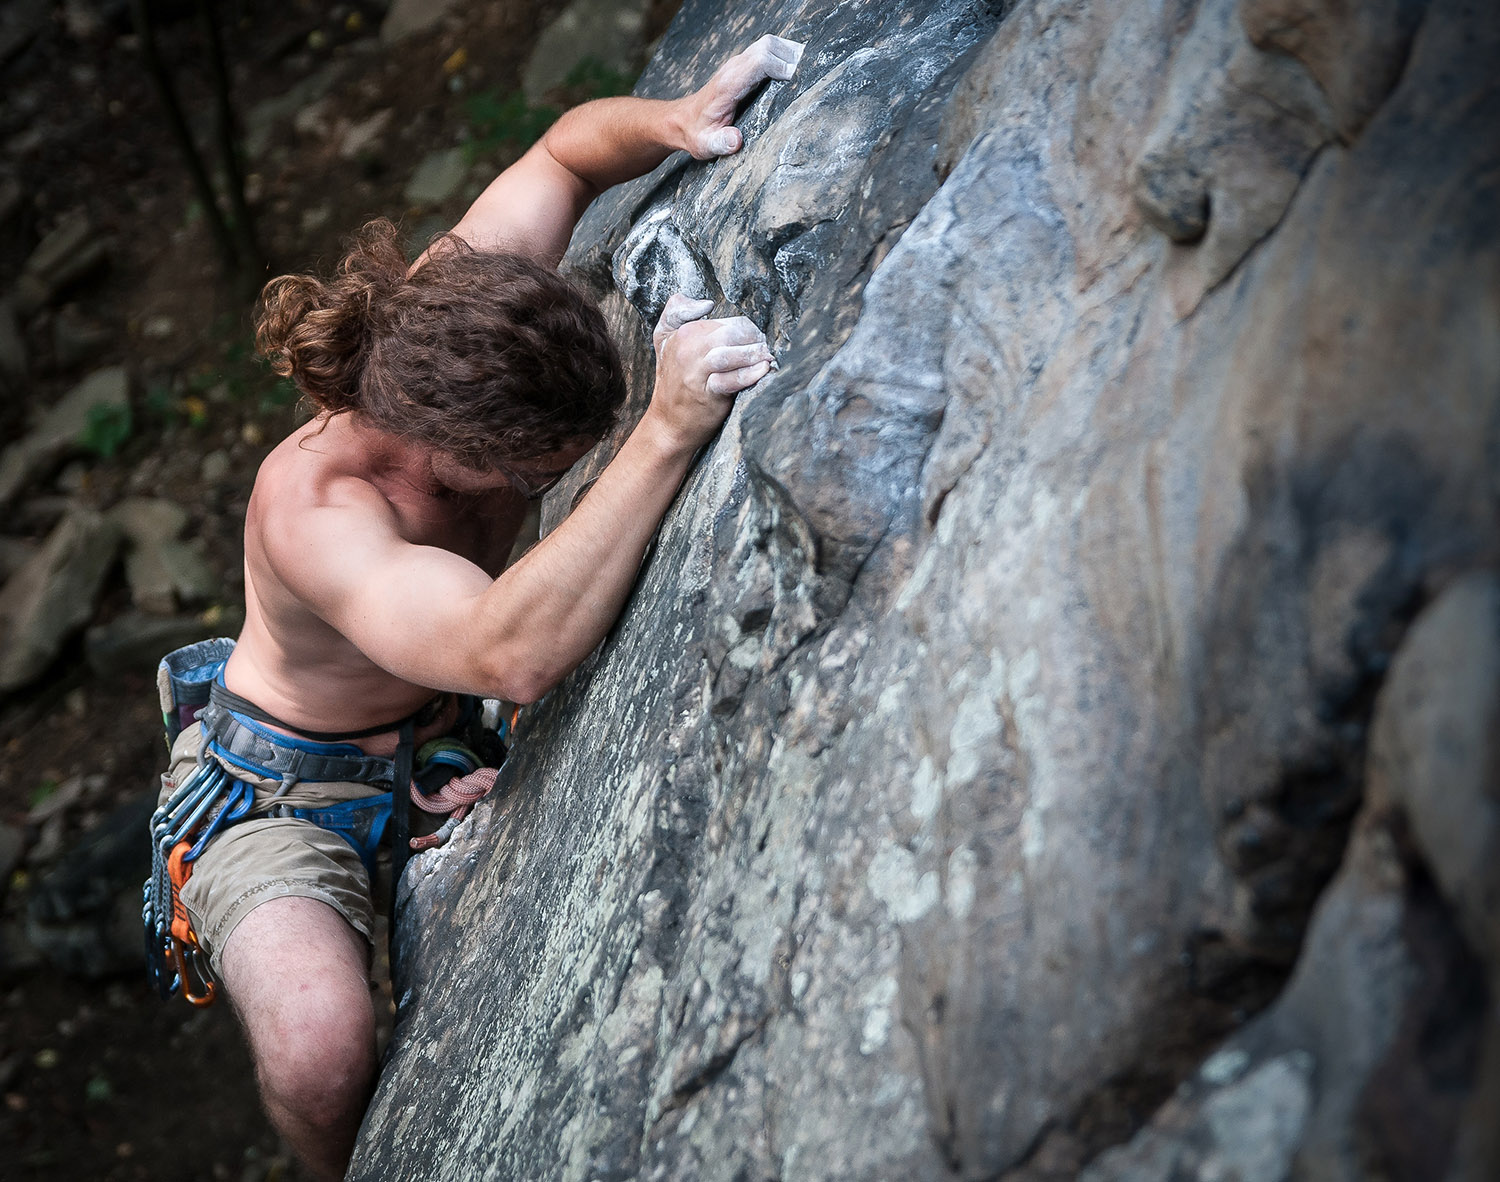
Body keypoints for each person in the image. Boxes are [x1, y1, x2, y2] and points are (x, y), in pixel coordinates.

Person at [155, 33, 805, 1181]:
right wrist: (665, 427)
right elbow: (512, 650)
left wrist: (678, 117)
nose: (548, 484)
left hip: (442, 721)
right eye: (530, 473)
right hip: (283, 785)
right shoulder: (317, 508)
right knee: (317, 1050)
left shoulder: (453, 316)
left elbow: (563, 157)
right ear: (446, 450)